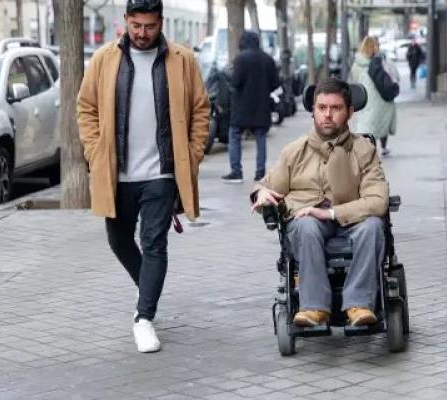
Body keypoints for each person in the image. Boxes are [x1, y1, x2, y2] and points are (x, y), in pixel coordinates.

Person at [77, 0, 210, 353]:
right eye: (136, 25)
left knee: (154, 244)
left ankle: (144, 317)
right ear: (125, 22)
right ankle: (147, 286)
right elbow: (86, 107)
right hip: (117, 173)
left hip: (162, 173)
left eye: (149, 26)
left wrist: (192, 155)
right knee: (118, 239)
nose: (142, 33)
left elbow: (200, 109)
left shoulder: (182, 60)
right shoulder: (105, 59)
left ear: (161, 23)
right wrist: (94, 151)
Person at [250, 78, 389, 327]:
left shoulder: (363, 150)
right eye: (321, 108)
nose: (327, 115)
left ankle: (358, 304)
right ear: (312, 111)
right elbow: (267, 184)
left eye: (335, 108)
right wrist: (261, 193)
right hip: (307, 222)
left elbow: (378, 201)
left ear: (349, 112)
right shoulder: (294, 152)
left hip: (353, 219)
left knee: (373, 226)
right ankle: (314, 308)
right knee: (305, 226)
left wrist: (332, 213)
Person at [221, 30, 280, 183]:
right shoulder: (268, 59)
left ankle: (236, 172)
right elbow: (275, 83)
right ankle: (260, 173)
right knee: (261, 138)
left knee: (234, 135)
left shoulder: (240, 59)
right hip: (262, 106)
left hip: (241, 107)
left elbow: (235, 82)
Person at [349, 36, 399, 157]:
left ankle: (370, 149)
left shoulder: (357, 64)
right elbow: (395, 75)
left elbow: (354, 81)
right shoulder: (382, 60)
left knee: (368, 124)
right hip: (382, 98)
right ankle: (384, 146)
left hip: (366, 99)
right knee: (383, 122)